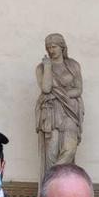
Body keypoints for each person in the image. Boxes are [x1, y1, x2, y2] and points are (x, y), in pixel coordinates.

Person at [36, 33, 84, 168]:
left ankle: (56, 177)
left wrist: (61, 95)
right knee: (51, 153)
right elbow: (46, 89)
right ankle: (53, 185)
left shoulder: (73, 65)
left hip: (70, 111)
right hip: (51, 112)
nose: (51, 50)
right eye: (48, 47)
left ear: (62, 47)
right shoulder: (41, 68)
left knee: (70, 149)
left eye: (54, 46)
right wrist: (47, 67)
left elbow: (79, 89)